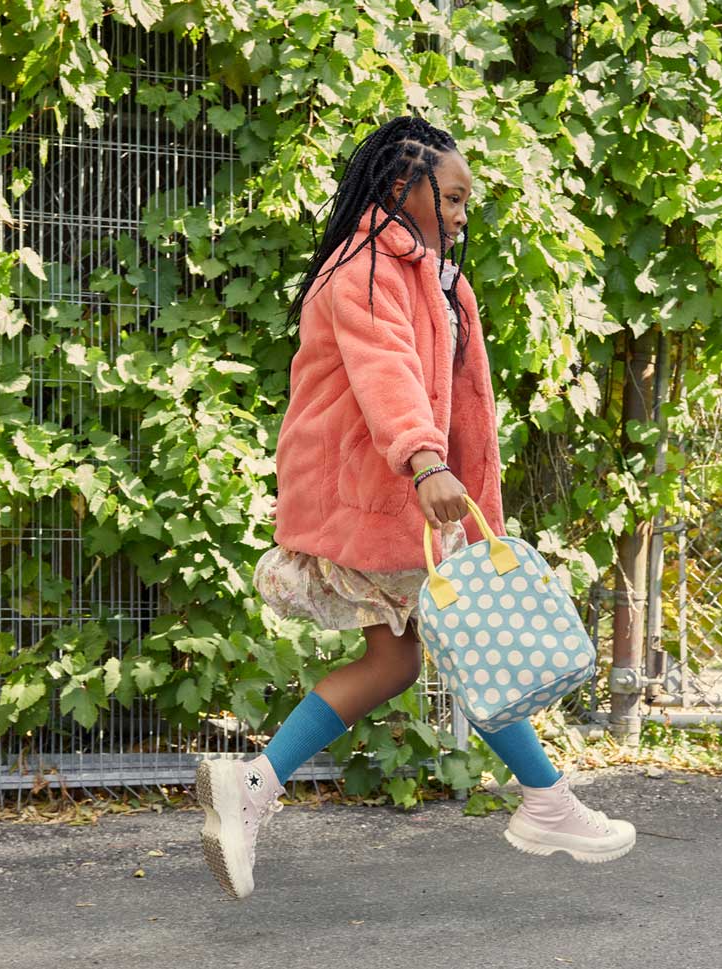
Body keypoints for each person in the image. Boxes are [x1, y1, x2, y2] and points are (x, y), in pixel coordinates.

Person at [196, 115, 636, 900]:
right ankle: (548, 801)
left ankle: (254, 785)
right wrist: (424, 459)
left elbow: (463, 401)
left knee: (399, 661)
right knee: (476, 639)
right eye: (455, 194)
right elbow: (386, 371)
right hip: (379, 494)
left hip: (414, 500)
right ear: (405, 187)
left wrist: (471, 501)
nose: (467, 210)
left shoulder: (436, 278)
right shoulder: (360, 273)